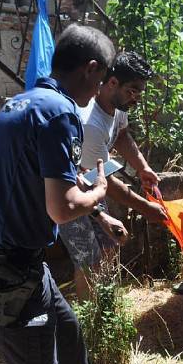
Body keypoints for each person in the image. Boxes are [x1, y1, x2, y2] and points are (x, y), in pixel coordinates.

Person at [0, 24, 120, 364]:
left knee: (69, 345)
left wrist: (99, 214)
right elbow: (61, 209)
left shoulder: (24, 102)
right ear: (90, 68)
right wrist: (100, 191)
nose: (98, 92)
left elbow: (47, 180)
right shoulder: (62, 113)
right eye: (101, 81)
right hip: (3, 273)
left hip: (11, 264)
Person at [59, 51, 167, 300]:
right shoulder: (90, 123)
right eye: (132, 91)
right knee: (89, 260)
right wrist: (146, 207)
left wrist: (142, 168)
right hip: (69, 191)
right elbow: (102, 182)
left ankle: (106, 304)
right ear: (112, 82)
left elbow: (122, 135)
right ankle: (91, 323)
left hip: (92, 185)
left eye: (140, 92)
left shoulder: (118, 105)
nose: (136, 99)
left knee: (110, 246)